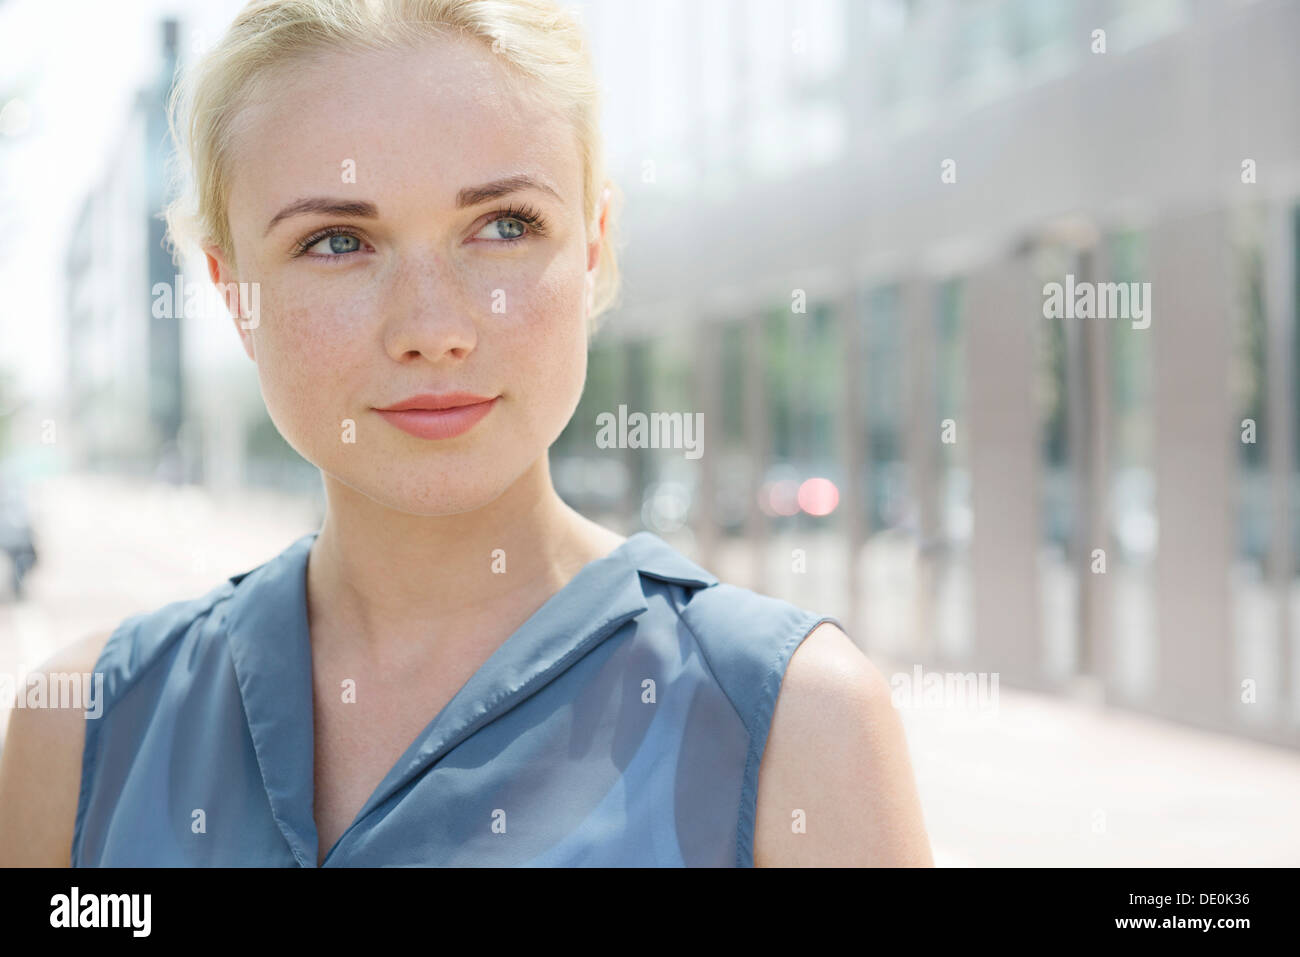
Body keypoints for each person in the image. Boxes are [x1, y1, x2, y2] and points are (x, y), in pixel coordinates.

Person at [0, 0, 932, 867]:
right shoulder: (79, 732)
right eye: (337, 241)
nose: (432, 325)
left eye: (503, 225)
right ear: (232, 290)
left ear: (596, 244)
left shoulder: (794, 725)